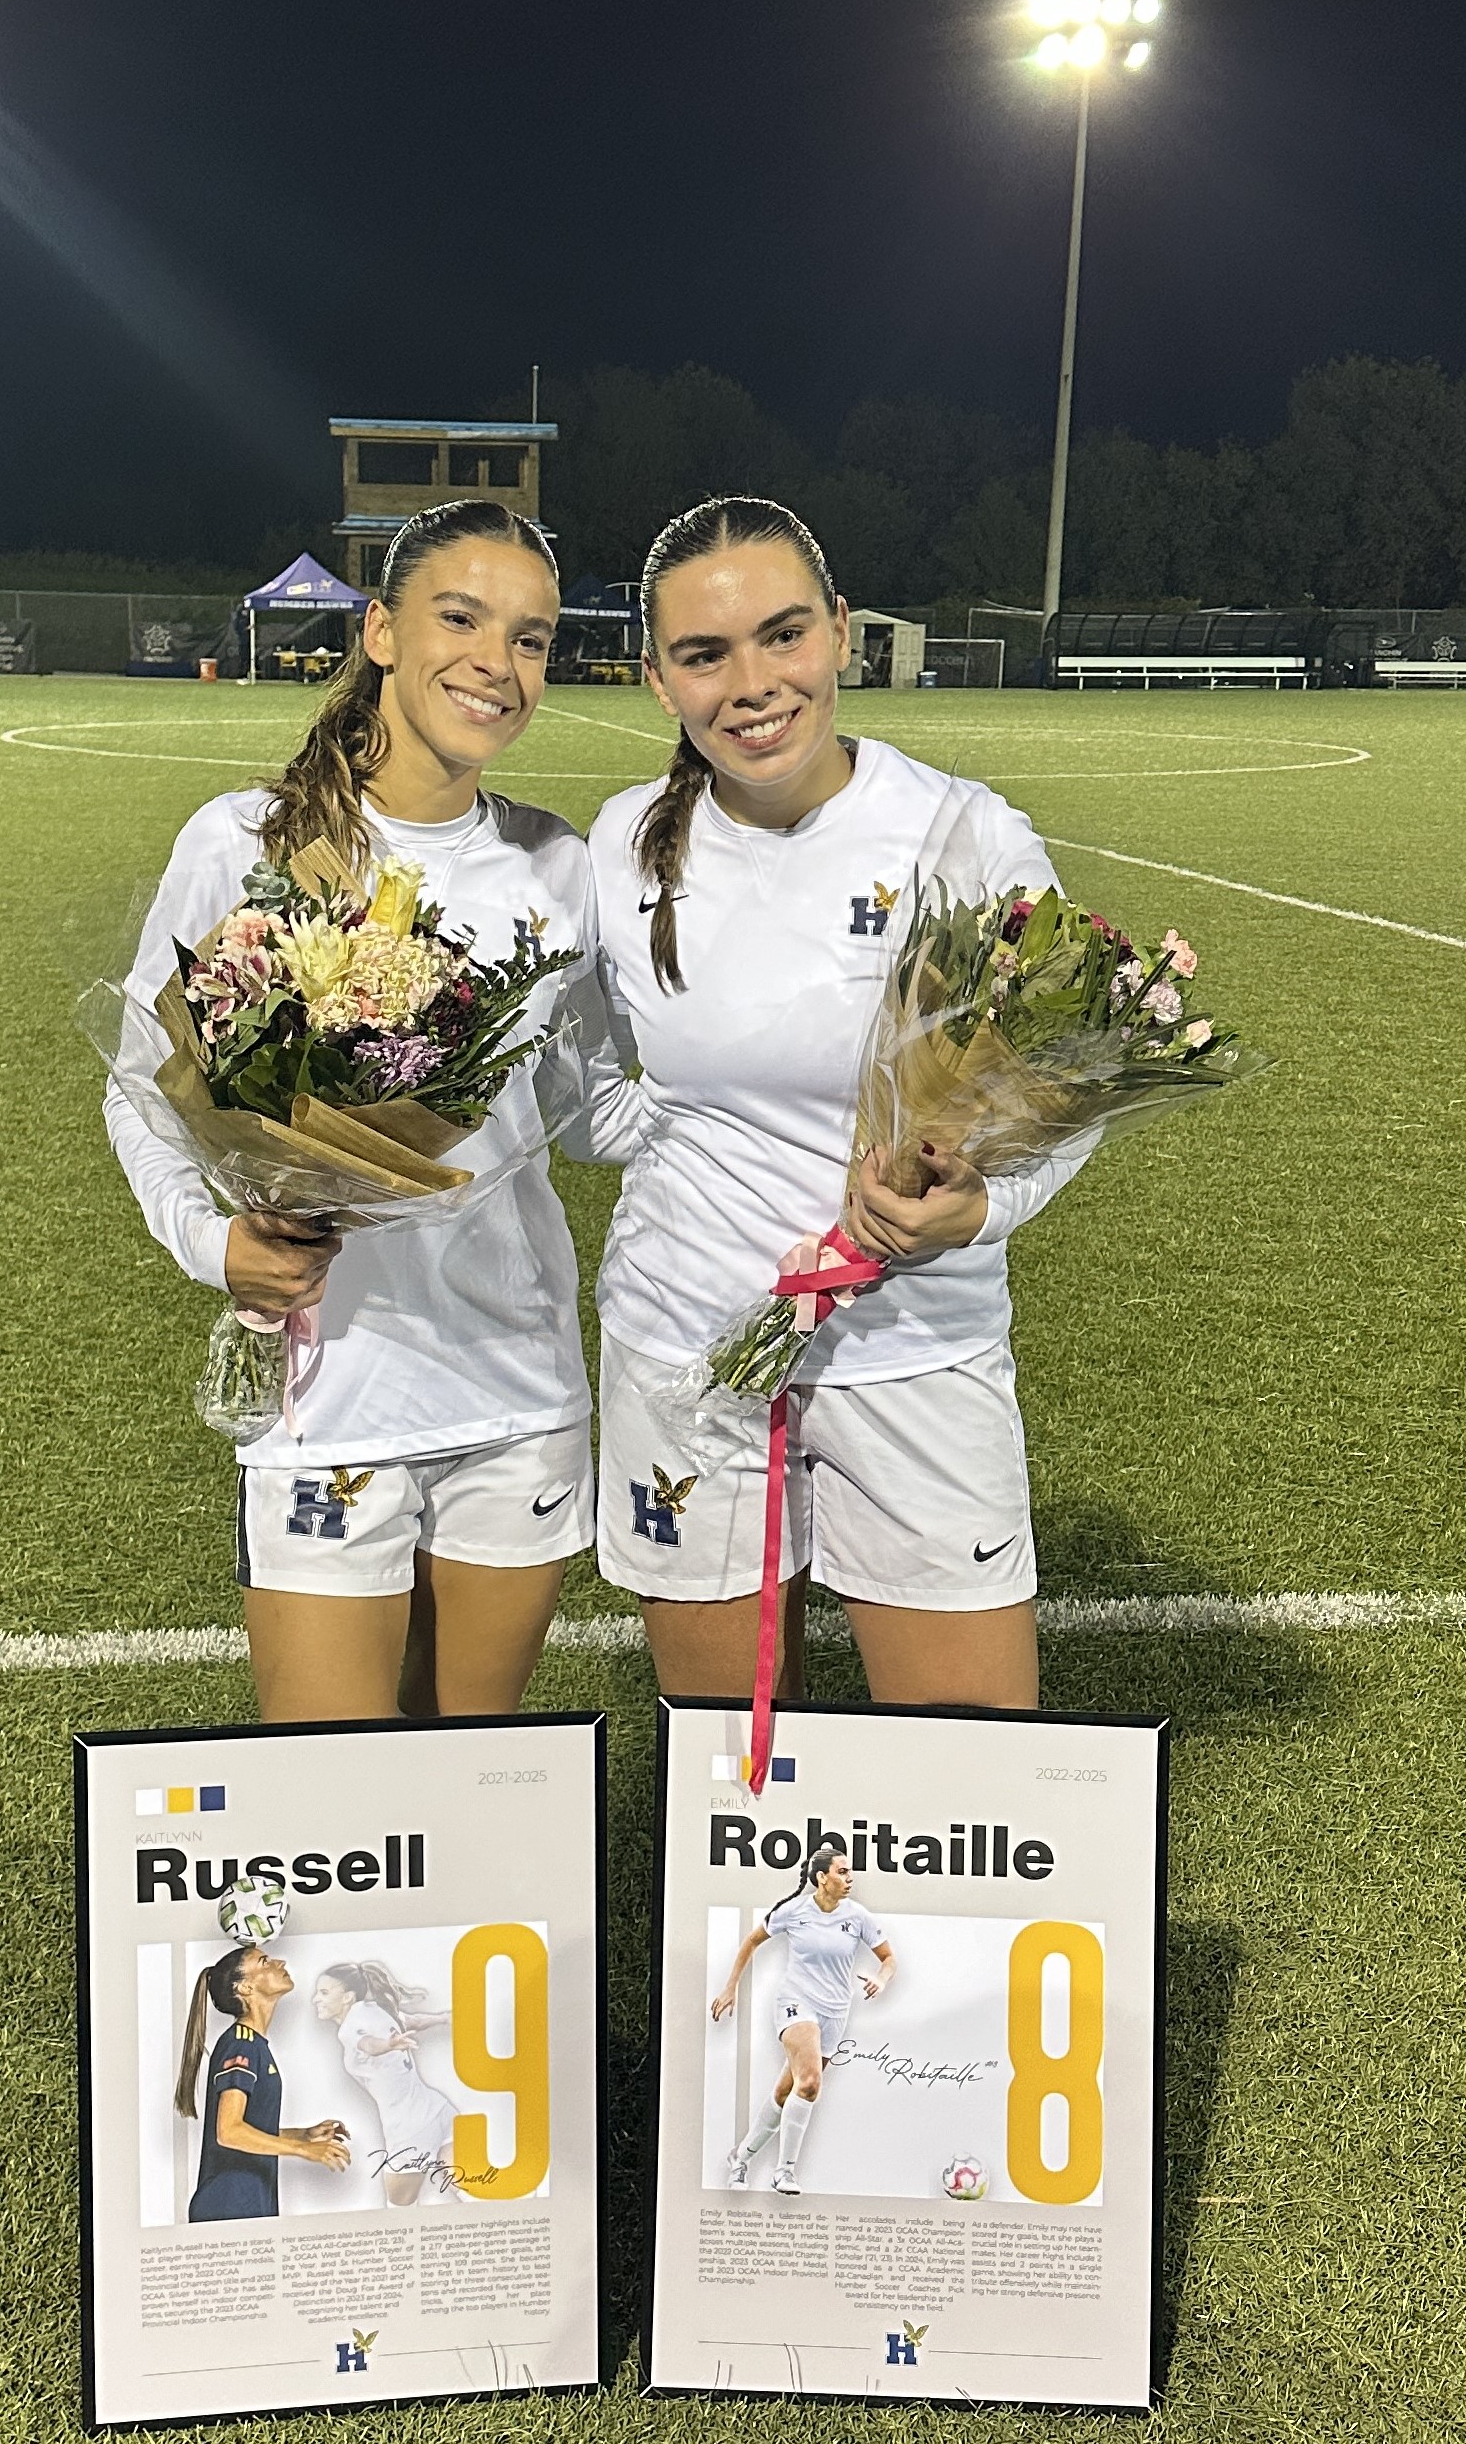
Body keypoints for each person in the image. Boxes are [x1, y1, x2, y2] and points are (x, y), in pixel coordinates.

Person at [106, 500, 639, 1722]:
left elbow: (589, 1108)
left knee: (467, 1771)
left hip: (518, 1392)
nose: (497, 664)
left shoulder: (559, 868)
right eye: (462, 618)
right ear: (383, 631)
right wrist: (215, 1241)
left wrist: (796, 1115)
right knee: (335, 1793)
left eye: (532, 638)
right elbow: (143, 1080)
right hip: (327, 1393)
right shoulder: (245, 842)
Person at [587, 495, 1095, 1711]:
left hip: (912, 1346)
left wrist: (977, 1209)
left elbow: (1064, 1083)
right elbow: (586, 1083)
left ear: (842, 632)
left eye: (783, 635)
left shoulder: (959, 833)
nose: (751, 684)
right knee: (730, 1778)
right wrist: (681, 1161)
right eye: (705, 655)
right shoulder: (619, 847)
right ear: (659, 679)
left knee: (965, 1775)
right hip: (686, 1343)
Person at [711, 1837, 892, 2195]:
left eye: (850, 1871)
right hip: (796, 2002)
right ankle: (785, 2171)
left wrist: (881, 1980)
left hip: (835, 2012)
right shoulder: (794, 1911)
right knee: (809, 2083)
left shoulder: (858, 1917)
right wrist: (730, 1987)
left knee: (786, 2091)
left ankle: (741, 2157)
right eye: (843, 1872)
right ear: (822, 1877)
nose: (850, 1878)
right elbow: (751, 1942)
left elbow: (889, 1959)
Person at [173, 1942, 351, 2222]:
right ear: (244, 1988)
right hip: (229, 2206)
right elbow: (229, 2131)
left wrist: (303, 2135)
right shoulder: (240, 2046)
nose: (279, 1962)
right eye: (265, 1961)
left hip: (250, 2203)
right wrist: (302, 2149)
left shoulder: (255, 2045)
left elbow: (249, 2129)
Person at [312, 1960, 461, 2206]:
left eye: (324, 1992)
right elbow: (412, 2021)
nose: (316, 1999)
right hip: (438, 2109)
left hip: (409, 2129)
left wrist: (388, 2045)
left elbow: (368, 2044)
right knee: (468, 2189)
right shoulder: (376, 2009)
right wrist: (444, 2018)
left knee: (399, 2210)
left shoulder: (348, 2029)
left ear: (348, 1996)